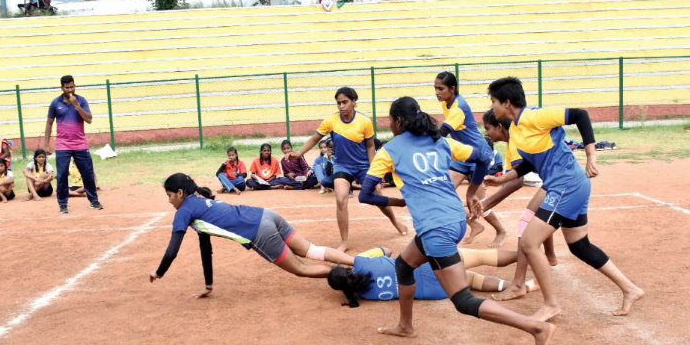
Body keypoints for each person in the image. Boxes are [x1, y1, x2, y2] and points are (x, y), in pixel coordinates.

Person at [357, 96, 554, 345]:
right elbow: (484, 155)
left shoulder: (389, 150)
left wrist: (397, 201)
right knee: (403, 266)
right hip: (455, 220)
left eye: (391, 120)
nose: (390, 125)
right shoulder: (440, 141)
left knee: (463, 300)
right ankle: (405, 326)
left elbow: (365, 195)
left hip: (436, 229)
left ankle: (535, 327)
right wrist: (473, 190)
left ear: (398, 121)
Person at [480, 77, 644, 320]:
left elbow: (580, 115)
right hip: (569, 186)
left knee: (528, 242)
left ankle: (551, 304)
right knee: (580, 246)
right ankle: (630, 289)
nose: (492, 106)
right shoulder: (515, 129)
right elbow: (528, 165)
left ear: (506, 102)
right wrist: (500, 180)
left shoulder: (535, 117)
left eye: (493, 101)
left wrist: (591, 157)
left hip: (566, 186)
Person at [148, 173, 360, 293]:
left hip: (259, 232)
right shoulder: (201, 202)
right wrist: (209, 285)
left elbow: (172, 251)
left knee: (301, 269)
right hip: (266, 214)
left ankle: (351, 276)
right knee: (311, 250)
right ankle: (359, 263)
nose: (169, 201)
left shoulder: (184, 211)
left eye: (169, 196)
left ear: (180, 193)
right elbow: (206, 247)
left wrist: (159, 273)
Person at [287, 87, 406, 252]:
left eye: (345, 102)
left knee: (377, 196)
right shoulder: (331, 121)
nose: (341, 106)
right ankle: (344, 242)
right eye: (338, 103)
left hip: (363, 166)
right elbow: (315, 139)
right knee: (341, 198)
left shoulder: (364, 121)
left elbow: (371, 147)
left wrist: (375, 173)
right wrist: (298, 153)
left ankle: (395, 221)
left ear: (353, 102)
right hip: (342, 166)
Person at [479, 109, 557, 301]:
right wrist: (486, 203)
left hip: (559, 182)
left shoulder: (515, 141)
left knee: (526, 223)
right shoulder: (512, 140)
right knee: (541, 218)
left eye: (488, 128)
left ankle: (518, 284)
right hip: (553, 181)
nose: (486, 133)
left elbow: (517, 181)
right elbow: (514, 177)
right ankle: (550, 256)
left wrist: (486, 203)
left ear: (499, 127)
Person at [434, 71, 509, 247]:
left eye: (440, 88)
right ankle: (474, 226)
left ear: (452, 89)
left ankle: (501, 230)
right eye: (435, 88)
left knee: (476, 202)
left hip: (478, 156)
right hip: (463, 155)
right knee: (443, 194)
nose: (437, 92)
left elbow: (441, 134)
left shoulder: (459, 106)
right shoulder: (447, 103)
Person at [328, 246, 538, 306]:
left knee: (472, 280)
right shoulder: (360, 262)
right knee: (481, 256)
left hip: (435, 291)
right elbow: (387, 250)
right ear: (346, 270)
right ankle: (527, 254)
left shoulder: (365, 297)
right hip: (428, 265)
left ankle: (524, 285)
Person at [44, 75, 102, 214]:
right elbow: (50, 123)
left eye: (72, 86)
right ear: (62, 88)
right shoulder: (55, 103)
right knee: (63, 174)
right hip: (63, 145)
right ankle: (63, 204)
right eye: (67, 87)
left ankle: (93, 200)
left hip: (80, 144)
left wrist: (77, 105)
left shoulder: (81, 100)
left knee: (87, 173)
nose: (70, 89)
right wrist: (47, 144)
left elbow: (89, 120)